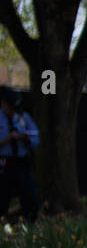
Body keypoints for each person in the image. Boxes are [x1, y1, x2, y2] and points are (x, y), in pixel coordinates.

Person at [0, 88, 40, 221]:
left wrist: (26, 139)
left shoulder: (23, 117)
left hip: (21, 162)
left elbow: (35, 137)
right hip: (4, 163)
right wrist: (9, 138)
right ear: (3, 104)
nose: (13, 111)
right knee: (2, 197)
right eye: (10, 107)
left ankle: (30, 226)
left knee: (30, 197)